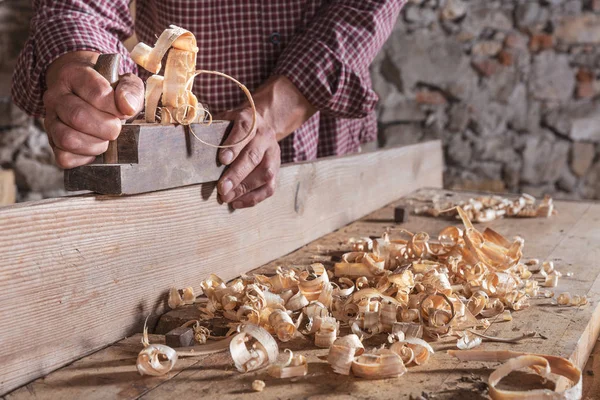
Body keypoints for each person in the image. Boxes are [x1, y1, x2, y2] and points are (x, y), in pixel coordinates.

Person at [12, 1, 405, 208]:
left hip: (316, 136)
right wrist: (78, 66)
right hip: (169, 148)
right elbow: (81, 6)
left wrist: (281, 105)